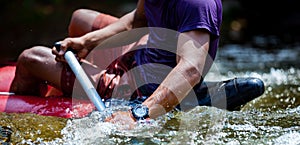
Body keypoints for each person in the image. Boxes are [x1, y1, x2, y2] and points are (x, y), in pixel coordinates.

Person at [10, 0, 264, 126]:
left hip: (138, 86)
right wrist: (87, 41)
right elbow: (137, 20)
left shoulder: (197, 3)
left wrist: (138, 113)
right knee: (81, 19)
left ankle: (24, 115)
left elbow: (190, 68)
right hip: (143, 49)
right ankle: (68, 84)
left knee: (29, 59)